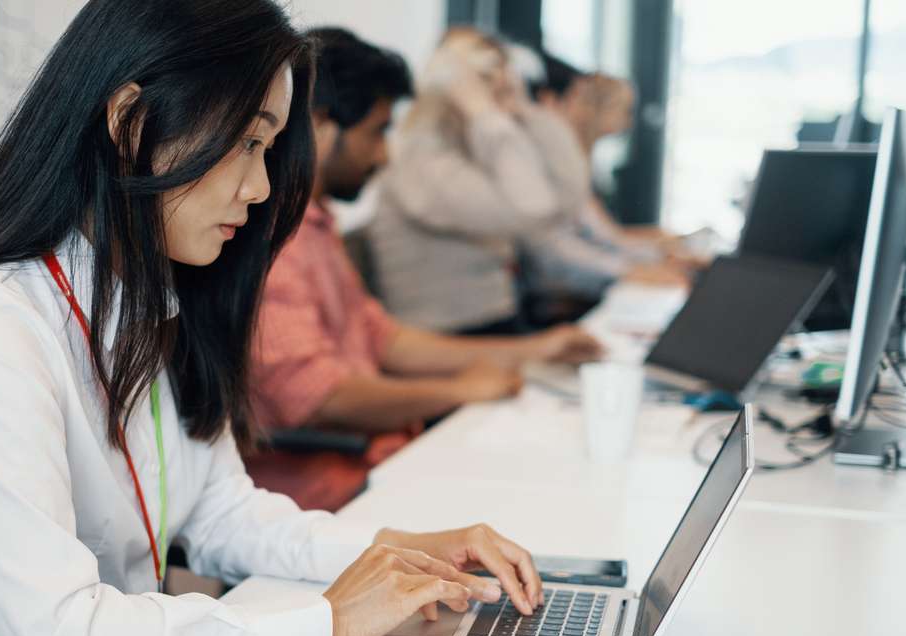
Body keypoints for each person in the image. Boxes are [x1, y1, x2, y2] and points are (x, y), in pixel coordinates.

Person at [0, 3, 546, 636]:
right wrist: (328, 619)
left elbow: (223, 511)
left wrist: (398, 555)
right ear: (132, 124)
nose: (259, 187)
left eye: (270, 148)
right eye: (248, 142)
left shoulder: (155, 296)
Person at [251, 28, 603, 442]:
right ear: (321, 126)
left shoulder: (317, 221)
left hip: (386, 445)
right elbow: (317, 397)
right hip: (342, 478)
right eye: (377, 133)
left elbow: (383, 338)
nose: (385, 155)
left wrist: (533, 350)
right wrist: (458, 391)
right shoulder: (277, 239)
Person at [369, 27, 592, 334]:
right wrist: (483, 112)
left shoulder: (471, 148)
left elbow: (567, 201)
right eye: (484, 81)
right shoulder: (417, 159)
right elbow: (534, 208)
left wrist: (525, 110)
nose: (495, 94)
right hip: (447, 339)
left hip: (493, 326)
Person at [514, 47, 697, 308]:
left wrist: (661, 254)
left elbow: (604, 236)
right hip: (558, 297)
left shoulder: (569, 162)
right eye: (578, 99)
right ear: (548, 101)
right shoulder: (539, 163)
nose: (582, 110)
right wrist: (637, 265)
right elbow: (557, 249)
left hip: (577, 282)